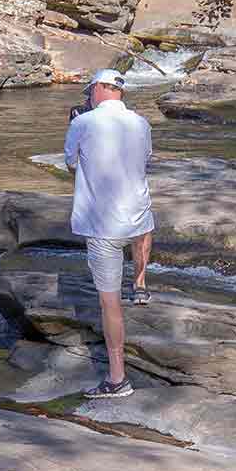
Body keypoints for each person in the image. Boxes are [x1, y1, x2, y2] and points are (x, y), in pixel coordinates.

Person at [64, 69, 154, 399]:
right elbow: (145, 160)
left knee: (109, 303)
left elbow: (71, 163)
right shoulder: (141, 123)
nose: (88, 97)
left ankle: (117, 379)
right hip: (136, 216)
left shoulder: (82, 123)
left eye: (91, 91)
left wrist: (74, 126)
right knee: (144, 228)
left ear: (102, 89)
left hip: (102, 224)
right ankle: (141, 284)